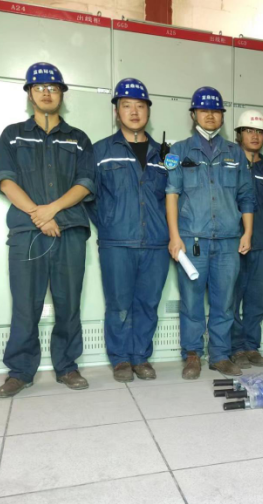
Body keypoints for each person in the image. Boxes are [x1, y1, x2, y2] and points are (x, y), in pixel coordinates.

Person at [0, 62, 95, 397]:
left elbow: (86, 182)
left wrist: (51, 210)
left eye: (53, 87)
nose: (46, 93)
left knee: (69, 303)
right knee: (26, 304)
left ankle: (67, 366)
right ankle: (20, 371)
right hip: (27, 233)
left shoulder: (78, 138)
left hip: (70, 231)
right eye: (39, 88)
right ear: (29, 94)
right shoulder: (12, 134)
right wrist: (39, 215)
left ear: (62, 93)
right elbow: (6, 181)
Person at [165, 86, 255, 379]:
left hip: (229, 242)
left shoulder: (235, 153)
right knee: (191, 301)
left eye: (215, 111)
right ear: (194, 114)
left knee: (224, 301)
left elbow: (246, 196)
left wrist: (247, 233)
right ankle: (192, 355)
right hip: (193, 241)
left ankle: (220, 355)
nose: (210, 116)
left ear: (222, 116)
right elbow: (171, 194)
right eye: (204, 110)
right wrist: (174, 237)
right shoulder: (179, 151)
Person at [91, 78, 169, 382]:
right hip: (116, 243)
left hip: (156, 243)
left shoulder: (164, 154)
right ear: (116, 111)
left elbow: (174, 197)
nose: (134, 112)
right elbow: (89, 196)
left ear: (148, 111)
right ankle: (121, 359)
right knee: (119, 304)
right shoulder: (101, 151)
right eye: (126, 106)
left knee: (148, 303)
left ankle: (140, 357)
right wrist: (109, 222)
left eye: (140, 106)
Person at [230, 110, 263, 369]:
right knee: (231, 298)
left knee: (257, 299)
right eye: (249, 130)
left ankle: (251, 346)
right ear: (239, 134)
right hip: (231, 243)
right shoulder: (229, 164)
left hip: (260, 243)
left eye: (260, 132)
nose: (255, 136)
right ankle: (235, 347)